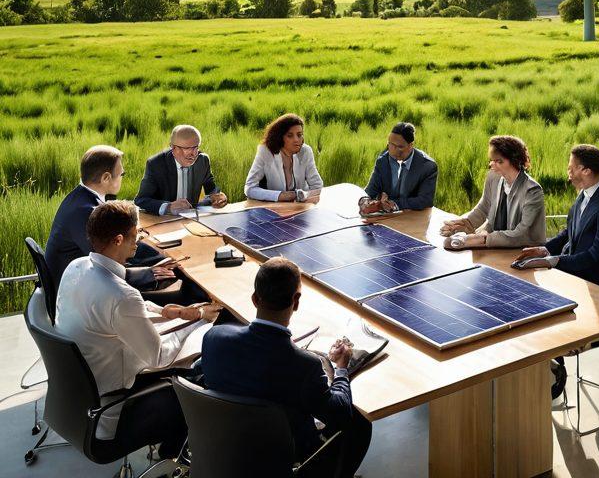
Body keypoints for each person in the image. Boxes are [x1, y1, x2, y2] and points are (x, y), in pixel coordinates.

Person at [55, 200, 219, 453]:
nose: (139, 240)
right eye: (136, 234)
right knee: (205, 368)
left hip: (78, 396)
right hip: (114, 406)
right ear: (119, 239)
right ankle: (174, 451)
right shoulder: (121, 296)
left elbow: (122, 306)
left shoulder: (76, 266)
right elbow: (158, 357)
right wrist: (199, 318)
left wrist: (165, 311)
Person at [199, 257, 371, 477]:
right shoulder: (304, 365)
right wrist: (340, 368)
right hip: (284, 455)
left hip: (226, 446)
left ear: (254, 299)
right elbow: (340, 413)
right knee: (360, 425)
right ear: (296, 301)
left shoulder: (214, 337)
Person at [46, 145, 207, 304]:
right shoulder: (85, 212)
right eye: (121, 174)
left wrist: (160, 256)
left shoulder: (82, 198)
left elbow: (114, 249)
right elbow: (107, 266)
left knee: (169, 265)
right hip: (80, 295)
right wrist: (150, 272)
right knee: (182, 293)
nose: (122, 177)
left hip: (86, 280)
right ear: (106, 178)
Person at [512, 143, 599, 293]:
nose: (568, 174)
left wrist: (553, 261)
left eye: (571, 169)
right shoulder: (584, 194)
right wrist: (545, 250)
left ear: (586, 171)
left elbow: (594, 257)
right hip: (576, 276)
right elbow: (569, 233)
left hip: (597, 287)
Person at [440, 136, 546, 248]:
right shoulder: (493, 177)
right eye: (491, 160)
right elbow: (484, 206)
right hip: (495, 247)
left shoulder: (532, 191)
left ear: (514, 161)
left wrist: (482, 239)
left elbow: (522, 233)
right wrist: (465, 223)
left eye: (498, 161)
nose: (491, 164)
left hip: (524, 251)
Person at [135, 125, 228, 216]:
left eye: (196, 147)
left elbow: (211, 188)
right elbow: (141, 200)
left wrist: (218, 196)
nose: (194, 154)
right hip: (164, 220)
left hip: (191, 220)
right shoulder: (156, 164)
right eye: (188, 148)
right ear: (173, 148)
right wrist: (169, 207)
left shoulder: (203, 160)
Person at [359, 122, 437, 214]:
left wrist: (395, 204)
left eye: (399, 147)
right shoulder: (383, 161)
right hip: (387, 219)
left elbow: (425, 200)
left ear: (411, 145)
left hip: (414, 218)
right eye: (390, 144)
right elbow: (370, 191)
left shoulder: (428, 166)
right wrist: (365, 201)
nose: (392, 150)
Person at [245, 114, 324, 203]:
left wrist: (303, 197)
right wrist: (281, 196)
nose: (296, 140)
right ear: (279, 137)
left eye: (299, 135)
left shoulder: (306, 151)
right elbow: (250, 188)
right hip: (274, 209)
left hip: (301, 208)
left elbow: (317, 186)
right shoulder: (266, 151)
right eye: (290, 135)